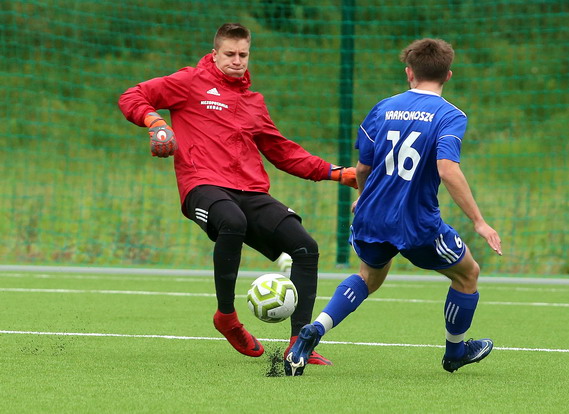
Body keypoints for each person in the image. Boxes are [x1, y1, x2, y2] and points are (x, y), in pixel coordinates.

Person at [118, 23, 357, 366]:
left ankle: (298, 343)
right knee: (232, 221)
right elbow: (132, 96)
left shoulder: (253, 102)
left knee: (306, 247)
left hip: (250, 190)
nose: (237, 60)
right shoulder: (189, 82)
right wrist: (155, 122)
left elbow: (283, 152)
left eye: (243, 54)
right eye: (229, 54)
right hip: (202, 185)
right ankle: (226, 317)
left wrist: (337, 172)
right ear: (214, 54)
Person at [285, 38, 502, 376]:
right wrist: (479, 221)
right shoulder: (450, 115)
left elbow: (363, 168)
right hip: (417, 222)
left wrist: (364, 197)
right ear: (448, 75)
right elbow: (447, 169)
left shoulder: (383, 108)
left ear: (409, 72)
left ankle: (314, 329)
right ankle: (455, 352)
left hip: (373, 217)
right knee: (467, 274)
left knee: (368, 277)